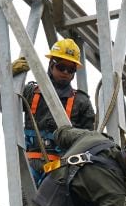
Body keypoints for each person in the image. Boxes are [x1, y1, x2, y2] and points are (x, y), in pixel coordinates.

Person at [10, 38, 97, 187]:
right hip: (29, 163)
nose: (65, 72)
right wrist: (9, 78)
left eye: (70, 70)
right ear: (51, 65)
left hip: (60, 167)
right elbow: (5, 107)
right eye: (61, 67)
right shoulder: (31, 92)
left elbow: (88, 142)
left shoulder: (81, 102)